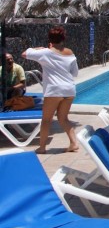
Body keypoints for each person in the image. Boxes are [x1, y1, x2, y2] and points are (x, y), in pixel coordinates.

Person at [23, 26, 79, 154]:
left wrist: (39, 48)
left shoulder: (45, 52)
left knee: (46, 120)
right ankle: (73, 143)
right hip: (69, 89)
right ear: (63, 38)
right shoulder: (70, 53)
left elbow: (25, 53)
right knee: (63, 118)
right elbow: (75, 73)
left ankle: (42, 148)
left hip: (54, 90)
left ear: (50, 39)